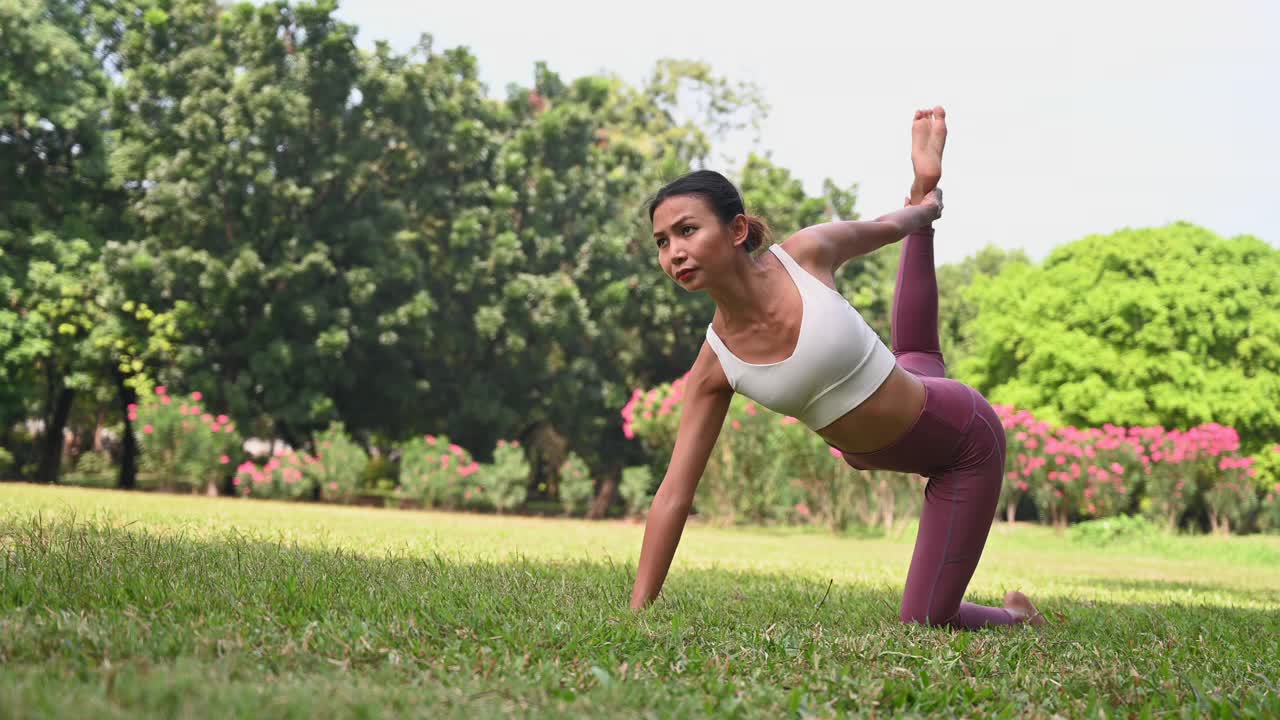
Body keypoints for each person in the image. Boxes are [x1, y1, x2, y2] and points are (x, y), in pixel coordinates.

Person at [630, 107, 1044, 628]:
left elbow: (887, 226)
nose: (675, 253)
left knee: (924, 624)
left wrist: (925, 202)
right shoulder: (716, 364)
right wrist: (638, 612)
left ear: (736, 230)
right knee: (916, 357)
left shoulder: (805, 255)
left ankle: (1020, 618)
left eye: (687, 230)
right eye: (663, 243)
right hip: (905, 405)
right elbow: (674, 492)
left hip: (962, 442)